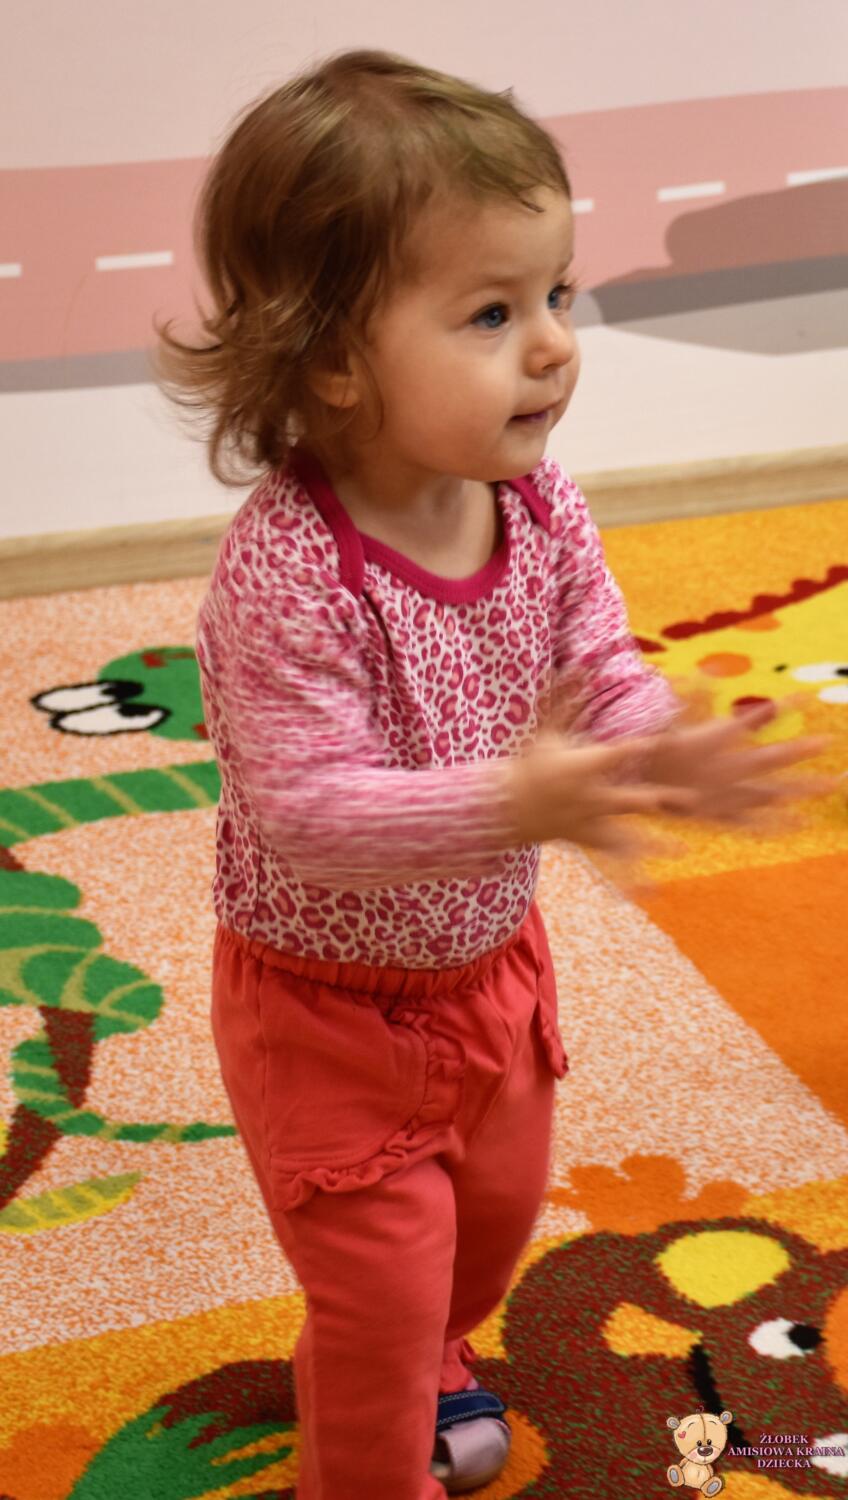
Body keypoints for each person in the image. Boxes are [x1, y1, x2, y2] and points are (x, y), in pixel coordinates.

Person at [154, 49, 830, 1500]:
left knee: (487, 1235)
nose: (554, 346)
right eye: (490, 313)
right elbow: (309, 814)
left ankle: (435, 1349)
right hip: (324, 1010)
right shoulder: (288, 571)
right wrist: (521, 802)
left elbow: (597, 656)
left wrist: (654, 747)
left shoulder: (538, 501)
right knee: (379, 1289)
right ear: (332, 359)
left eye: (557, 294)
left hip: (492, 978)